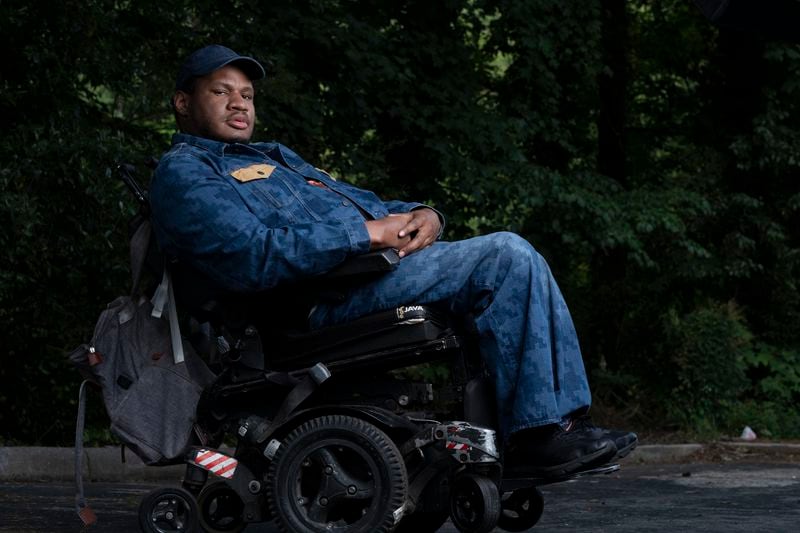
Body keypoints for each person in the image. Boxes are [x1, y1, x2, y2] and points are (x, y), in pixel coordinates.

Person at [150, 44, 637, 478]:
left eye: (248, 95)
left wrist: (424, 215)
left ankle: (566, 425)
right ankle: (536, 437)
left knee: (514, 255)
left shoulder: (276, 159)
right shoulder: (186, 173)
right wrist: (363, 234)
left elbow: (368, 205)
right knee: (506, 256)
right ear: (183, 103)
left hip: (367, 277)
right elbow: (250, 256)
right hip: (313, 305)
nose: (240, 103)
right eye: (222, 92)